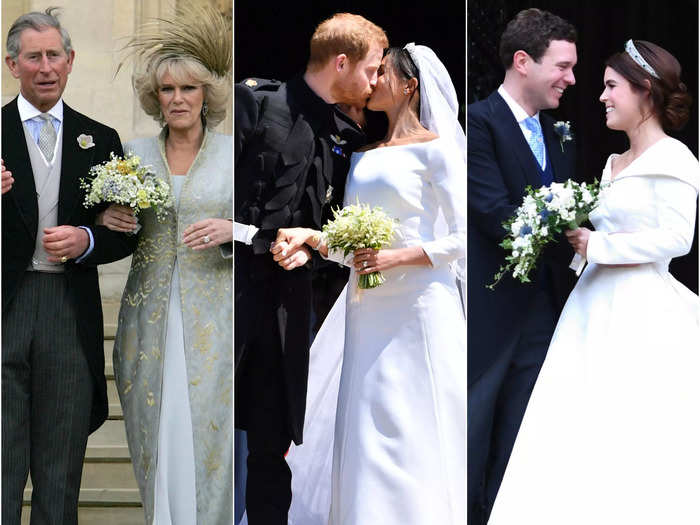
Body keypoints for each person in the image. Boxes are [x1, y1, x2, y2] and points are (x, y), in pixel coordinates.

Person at [488, 39, 700, 525]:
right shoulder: (612, 164)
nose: (601, 97)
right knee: (576, 418)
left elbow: (677, 238)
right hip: (591, 302)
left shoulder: (675, 159)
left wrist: (598, 246)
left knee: (628, 419)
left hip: (639, 307)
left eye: (611, 86)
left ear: (645, 91)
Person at [273, 43, 466, 525]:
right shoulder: (362, 154)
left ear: (409, 85)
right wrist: (314, 237)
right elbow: (352, 246)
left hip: (419, 303)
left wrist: (397, 256)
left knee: (415, 418)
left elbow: (464, 238)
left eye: (383, 73)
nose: (372, 79)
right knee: (367, 422)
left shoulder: (437, 150)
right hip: (367, 304)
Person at [234, 13, 387, 524]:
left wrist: (311, 248)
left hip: (293, 310)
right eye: (369, 70)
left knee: (273, 446)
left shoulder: (351, 136)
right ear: (340, 63)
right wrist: (262, 240)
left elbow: (338, 225)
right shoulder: (254, 103)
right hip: (231, 295)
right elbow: (220, 202)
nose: (374, 81)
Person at [1, 8, 137, 524]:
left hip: (67, 312)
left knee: (59, 474)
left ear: (71, 60)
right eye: (32, 57)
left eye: (53, 55)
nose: (45, 66)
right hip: (4, 310)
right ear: (13, 65)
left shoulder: (99, 139)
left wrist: (85, 239)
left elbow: (125, 232)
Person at [98, 5, 233, 524]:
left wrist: (231, 231)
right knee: (156, 427)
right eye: (167, 91)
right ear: (155, 99)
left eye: (188, 89)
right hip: (147, 318)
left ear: (206, 96)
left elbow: (262, 228)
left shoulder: (232, 154)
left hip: (214, 319)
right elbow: (99, 228)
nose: (177, 99)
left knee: (209, 433)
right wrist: (109, 217)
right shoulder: (130, 155)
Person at [466, 9, 579, 523]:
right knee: (475, 428)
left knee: (521, 432)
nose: (571, 80)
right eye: (562, 66)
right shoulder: (479, 123)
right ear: (522, 62)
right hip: (488, 317)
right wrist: (573, 238)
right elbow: (490, 211)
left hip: (543, 312)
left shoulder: (559, 132)